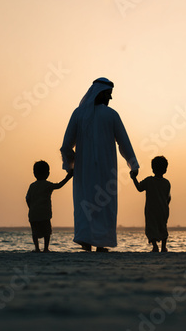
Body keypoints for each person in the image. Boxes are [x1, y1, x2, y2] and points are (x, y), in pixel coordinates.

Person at [60, 77, 139, 252]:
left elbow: (66, 146)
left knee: (85, 204)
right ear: (100, 94)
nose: (110, 99)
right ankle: (101, 243)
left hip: (83, 171)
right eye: (108, 95)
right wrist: (133, 165)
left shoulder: (78, 114)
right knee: (104, 204)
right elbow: (124, 143)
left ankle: (86, 241)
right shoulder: (111, 115)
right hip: (106, 170)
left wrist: (71, 165)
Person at [26, 160, 72, 253]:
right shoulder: (47, 185)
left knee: (34, 231)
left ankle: (37, 248)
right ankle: (46, 248)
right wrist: (68, 177)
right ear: (47, 173)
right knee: (47, 231)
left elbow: (27, 198)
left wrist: (31, 207)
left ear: (34, 173)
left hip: (33, 213)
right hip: (44, 213)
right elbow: (59, 185)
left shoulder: (32, 186)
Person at [130, 156, 171, 252]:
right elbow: (168, 197)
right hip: (163, 210)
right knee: (162, 227)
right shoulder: (166, 183)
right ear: (165, 169)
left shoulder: (149, 181)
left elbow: (139, 188)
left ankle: (155, 246)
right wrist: (166, 207)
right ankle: (164, 247)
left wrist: (133, 178)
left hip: (151, 210)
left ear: (152, 169)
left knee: (151, 227)